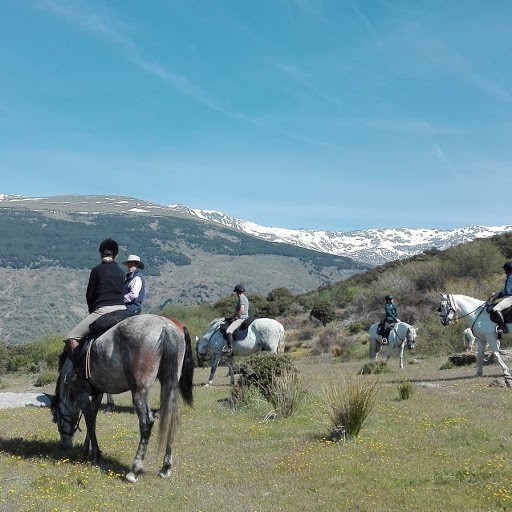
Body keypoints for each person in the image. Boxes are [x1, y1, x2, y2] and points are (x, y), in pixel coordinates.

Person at [64, 238, 126, 379]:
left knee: (71, 338)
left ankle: (78, 372)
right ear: (116, 255)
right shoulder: (122, 272)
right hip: (123, 310)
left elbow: (89, 295)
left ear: (101, 254)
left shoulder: (97, 270)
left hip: (103, 310)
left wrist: (93, 311)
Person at [222, 283, 249, 354]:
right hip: (242, 317)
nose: (236, 293)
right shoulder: (244, 297)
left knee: (228, 331)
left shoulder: (241, 298)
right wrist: (232, 317)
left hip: (241, 318)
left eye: (236, 292)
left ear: (238, 291)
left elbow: (241, 309)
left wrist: (236, 317)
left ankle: (229, 348)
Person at [489, 262, 512, 334]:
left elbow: (507, 292)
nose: (504, 271)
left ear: (507, 270)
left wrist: (496, 295)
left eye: (505, 270)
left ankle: (503, 327)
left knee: (496, 309)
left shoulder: (510, 277)